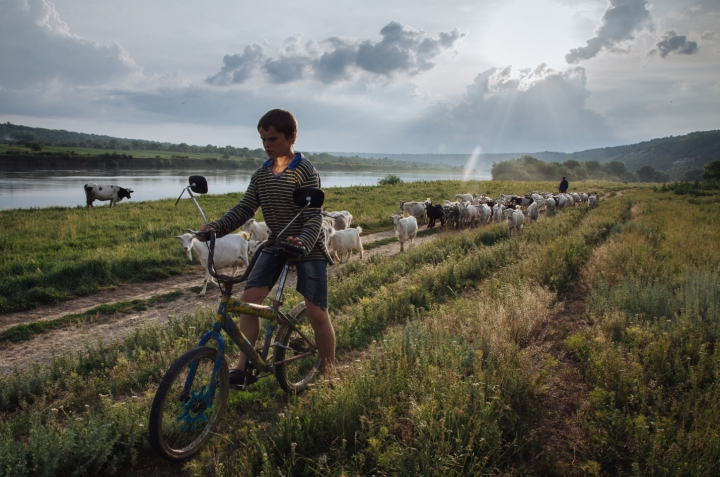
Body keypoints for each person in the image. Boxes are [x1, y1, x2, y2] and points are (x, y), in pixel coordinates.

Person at [198, 109, 335, 386]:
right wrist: (216, 227)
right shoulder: (262, 173)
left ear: (291, 137)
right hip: (276, 243)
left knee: (316, 311)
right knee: (249, 300)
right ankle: (243, 366)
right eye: (263, 139)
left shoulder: (305, 171)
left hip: (308, 247)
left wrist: (303, 242)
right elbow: (245, 208)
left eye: (273, 139)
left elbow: (313, 217)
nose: (267, 145)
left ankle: (331, 371)